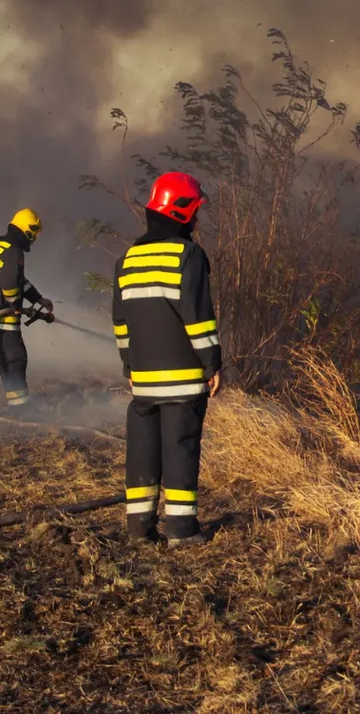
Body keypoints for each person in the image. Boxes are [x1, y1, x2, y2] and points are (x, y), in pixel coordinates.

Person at [113, 172, 221, 548]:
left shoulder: (127, 259)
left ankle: (140, 527)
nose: (197, 219)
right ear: (181, 211)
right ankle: (181, 529)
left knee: (143, 449)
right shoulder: (188, 255)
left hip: (142, 380)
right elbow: (198, 317)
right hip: (184, 377)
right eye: (195, 211)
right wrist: (212, 363)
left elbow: (121, 322)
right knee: (180, 446)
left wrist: (129, 366)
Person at [0, 209, 55, 410]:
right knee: (14, 362)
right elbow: (10, 285)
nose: (34, 240)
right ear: (27, 232)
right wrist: (16, 307)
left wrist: (38, 298)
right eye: (34, 235)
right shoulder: (14, 252)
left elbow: (18, 280)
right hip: (0, 324)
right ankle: (20, 409)